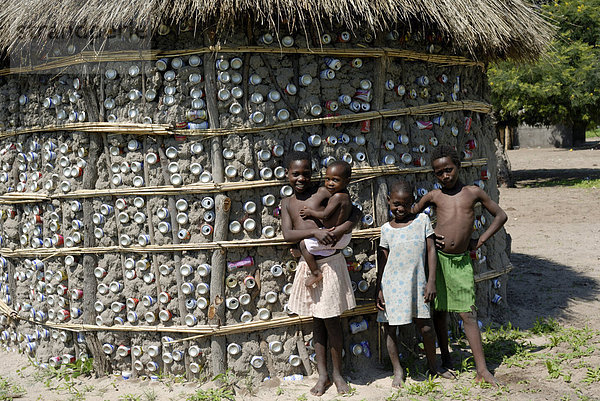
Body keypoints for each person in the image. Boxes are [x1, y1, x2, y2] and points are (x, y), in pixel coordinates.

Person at [412, 145, 508, 385]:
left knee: (467, 313)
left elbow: (501, 215)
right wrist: (429, 234)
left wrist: (480, 240)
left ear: (459, 166)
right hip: (437, 262)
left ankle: (482, 370)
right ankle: (446, 359)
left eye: (449, 169)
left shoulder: (473, 192)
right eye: (439, 172)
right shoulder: (434, 196)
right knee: (440, 312)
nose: (445, 176)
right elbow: (411, 213)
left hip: (461, 261)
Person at [282, 151, 359, 396]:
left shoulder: (323, 191)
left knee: (333, 321)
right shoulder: (287, 202)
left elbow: (353, 211)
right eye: (296, 174)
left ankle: (338, 374)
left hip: (331, 263)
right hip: (309, 265)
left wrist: (343, 229)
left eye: (306, 173)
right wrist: (314, 233)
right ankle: (323, 374)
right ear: (287, 175)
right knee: (318, 322)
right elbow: (287, 235)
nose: (301, 179)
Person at [376, 180, 454, 387]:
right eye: (395, 204)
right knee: (391, 329)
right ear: (388, 201)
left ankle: (433, 366)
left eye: (405, 204)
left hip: (417, 283)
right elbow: (382, 262)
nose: (400, 209)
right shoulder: (386, 229)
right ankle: (397, 370)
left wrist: (431, 282)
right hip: (392, 285)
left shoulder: (422, 221)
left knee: (426, 327)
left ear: (413, 202)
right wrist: (379, 290)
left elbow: (431, 250)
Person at [298, 161, 353, 287]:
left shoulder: (337, 197)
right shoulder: (346, 195)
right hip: (341, 237)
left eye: (335, 180)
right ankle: (324, 251)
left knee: (303, 245)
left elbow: (325, 215)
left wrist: (310, 212)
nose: (330, 183)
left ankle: (316, 272)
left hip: (333, 235)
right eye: (327, 179)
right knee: (319, 245)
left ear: (347, 181)